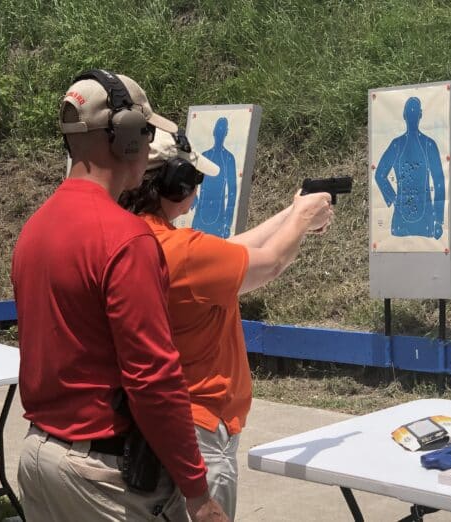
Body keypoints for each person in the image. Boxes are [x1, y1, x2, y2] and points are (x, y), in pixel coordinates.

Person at [11, 69, 228, 522]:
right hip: (101, 479)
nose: (149, 148)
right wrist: (197, 491)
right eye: (146, 133)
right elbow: (154, 378)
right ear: (126, 138)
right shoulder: (126, 239)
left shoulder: (35, 228)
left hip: (40, 457)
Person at [119, 130, 333, 519]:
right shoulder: (180, 252)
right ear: (177, 183)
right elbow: (270, 262)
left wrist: (291, 213)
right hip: (200, 427)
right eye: (194, 180)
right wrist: (302, 219)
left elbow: (231, 250)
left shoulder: (137, 240)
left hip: (161, 423)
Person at [374, 96, 446, 239]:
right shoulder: (428, 144)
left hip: (413, 218)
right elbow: (439, 182)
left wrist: (394, 199)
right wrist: (439, 220)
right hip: (421, 220)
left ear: (404, 115)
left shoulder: (399, 144)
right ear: (420, 115)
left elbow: (380, 175)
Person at [192, 117, 237, 238]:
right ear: (214, 131)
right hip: (201, 211)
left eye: (222, 130)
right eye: (218, 130)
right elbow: (191, 178)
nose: (220, 133)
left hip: (219, 214)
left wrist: (228, 221)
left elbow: (232, 191)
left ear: (226, 133)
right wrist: (191, 197)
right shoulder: (205, 155)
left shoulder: (228, 158)